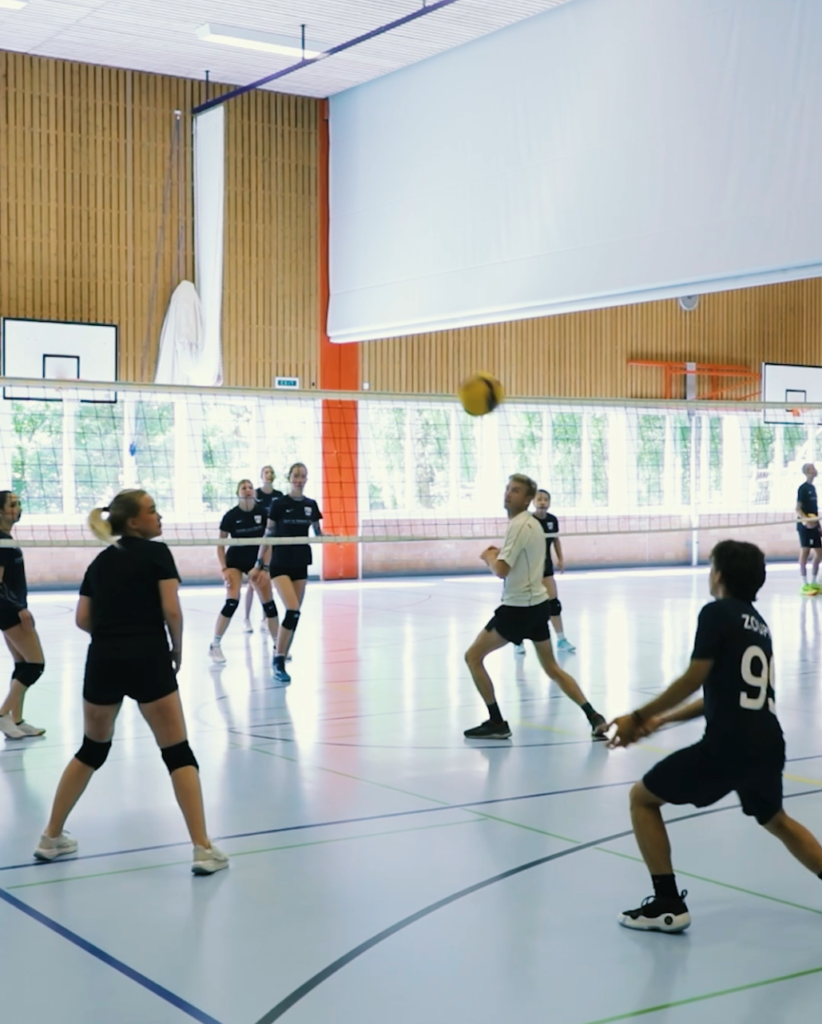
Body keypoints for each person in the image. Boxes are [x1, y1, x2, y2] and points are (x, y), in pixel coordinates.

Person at [607, 539, 822, 933]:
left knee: (642, 798)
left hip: (729, 745)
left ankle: (667, 905)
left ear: (719, 575)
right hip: (767, 742)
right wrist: (663, 721)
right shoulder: (758, 625)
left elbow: (694, 678)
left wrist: (638, 716)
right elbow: (723, 694)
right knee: (776, 819)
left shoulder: (716, 613)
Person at [34, 489, 228, 874]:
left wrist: (113, 635)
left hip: (102, 660)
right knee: (177, 753)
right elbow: (172, 610)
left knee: (91, 749)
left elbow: (82, 619)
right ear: (135, 522)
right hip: (147, 657)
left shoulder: (100, 562)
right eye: (153, 510)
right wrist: (176, 648)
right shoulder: (157, 554)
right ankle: (203, 849)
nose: (160, 516)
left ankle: (50, 837)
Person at [463, 474, 607, 740]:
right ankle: (594, 716)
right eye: (508, 488)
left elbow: (502, 570)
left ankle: (496, 722)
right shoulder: (531, 524)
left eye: (516, 491)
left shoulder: (519, 525)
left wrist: (490, 556)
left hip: (518, 608)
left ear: (528, 499)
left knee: (472, 657)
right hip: (538, 605)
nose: (509, 494)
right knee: (552, 668)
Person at [257, 462, 322, 685]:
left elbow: (318, 532)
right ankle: (279, 661)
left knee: (294, 614)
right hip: (280, 563)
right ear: (289, 478)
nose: (299, 479)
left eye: (303, 476)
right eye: (296, 475)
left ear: (306, 479)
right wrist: (259, 562)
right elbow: (268, 533)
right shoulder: (278, 504)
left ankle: (280, 654)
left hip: (301, 562)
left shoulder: (311, 505)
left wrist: (333, 537)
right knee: (292, 609)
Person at [209, 480, 279, 664]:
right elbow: (220, 545)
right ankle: (215, 645)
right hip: (235, 561)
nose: (248, 490)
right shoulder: (231, 516)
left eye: (250, 488)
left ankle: (279, 647)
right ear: (238, 493)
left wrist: (265, 568)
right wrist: (224, 569)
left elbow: (269, 543)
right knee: (232, 601)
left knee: (269, 604)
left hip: (256, 560)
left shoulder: (263, 513)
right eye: (243, 488)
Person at [0, 491, 46, 740]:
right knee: (35, 665)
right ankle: (2, 714)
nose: (18, 508)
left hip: (9, 608)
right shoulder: (1, 542)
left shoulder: (6, 539)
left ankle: (17, 720)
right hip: (8, 610)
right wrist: (18, 608)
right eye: (12, 505)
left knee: (22, 664)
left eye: (18, 504)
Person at [515, 489, 575, 657]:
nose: (542, 502)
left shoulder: (552, 520)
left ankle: (561, 639)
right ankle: (518, 641)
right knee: (523, 605)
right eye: (539, 499)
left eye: (545, 499)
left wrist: (560, 559)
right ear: (533, 502)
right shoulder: (527, 520)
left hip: (546, 566)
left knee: (553, 604)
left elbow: (555, 539)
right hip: (528, 566)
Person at [244, 465, 284, 631]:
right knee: (252, 583)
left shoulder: (279, 496)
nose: (269, 474)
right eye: (266, 472)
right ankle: (246, 619)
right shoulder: (256, 494)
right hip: (256, 542)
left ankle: (264, 619)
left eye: (271, 472)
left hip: (270, 542)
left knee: (266, 581)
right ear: (261, 476)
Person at [796, 463, 821, 595]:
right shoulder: (803, 488)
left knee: (819, 552)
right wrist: (806, 520)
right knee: (805, 551)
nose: (815, 470)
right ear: (807, 471)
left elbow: (814, 510)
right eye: (812, 468)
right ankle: (804, 583)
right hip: (805, 525)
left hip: (814, 524)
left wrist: (818, 525)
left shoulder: (813, 488)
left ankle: (814, 581)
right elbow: (798, 509)